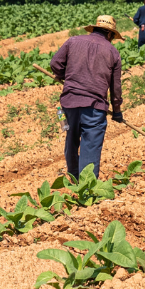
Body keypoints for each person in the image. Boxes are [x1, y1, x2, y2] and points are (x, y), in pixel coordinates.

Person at [49, 15, 124, 179]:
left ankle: (74, 178)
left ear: (95, 29)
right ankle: (85, 188)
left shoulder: (73, 41)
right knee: (90, 145)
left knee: (71, 137)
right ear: (110, 34)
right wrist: (117, 111)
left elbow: (55, 63)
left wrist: (65, 76)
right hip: (94, 106)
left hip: (69, 103)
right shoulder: (113, 52)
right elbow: (115, 87)